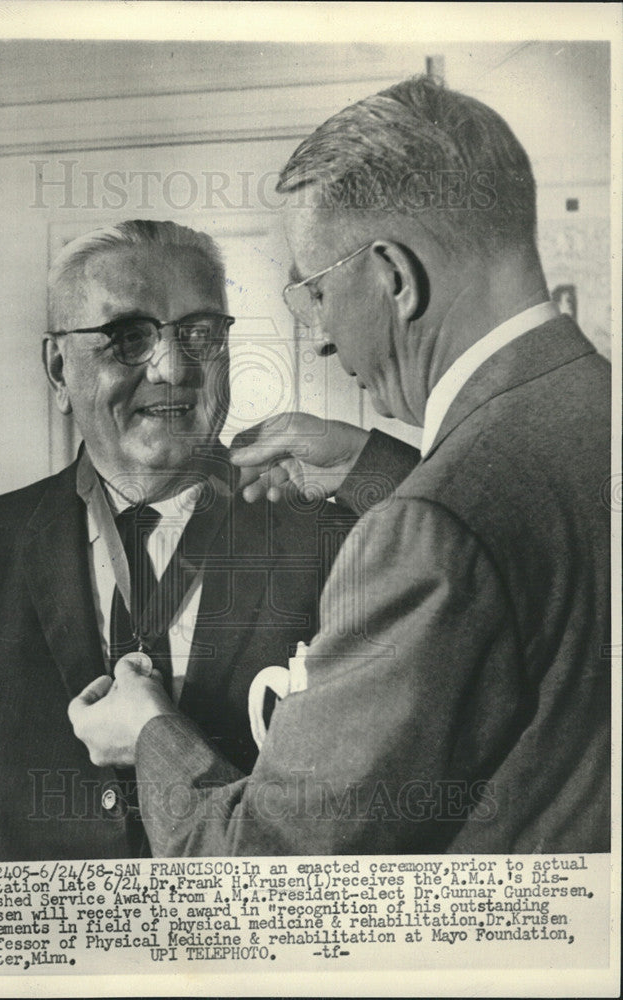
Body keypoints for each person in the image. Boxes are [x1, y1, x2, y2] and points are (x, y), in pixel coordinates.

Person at [69, 77, 612, 856]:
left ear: (394, 275)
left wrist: (148, 733)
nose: (320, 338)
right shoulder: (593, 402)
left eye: (316, 294)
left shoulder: (427, 531)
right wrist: (374, 468)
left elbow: (268, 868)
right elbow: (520, 560)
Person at [0, 220, 412, 862]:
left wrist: (374, 469)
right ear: (59, 369)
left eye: (200, 334)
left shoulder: (341, 541)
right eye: (127, 338)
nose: (173, 368)